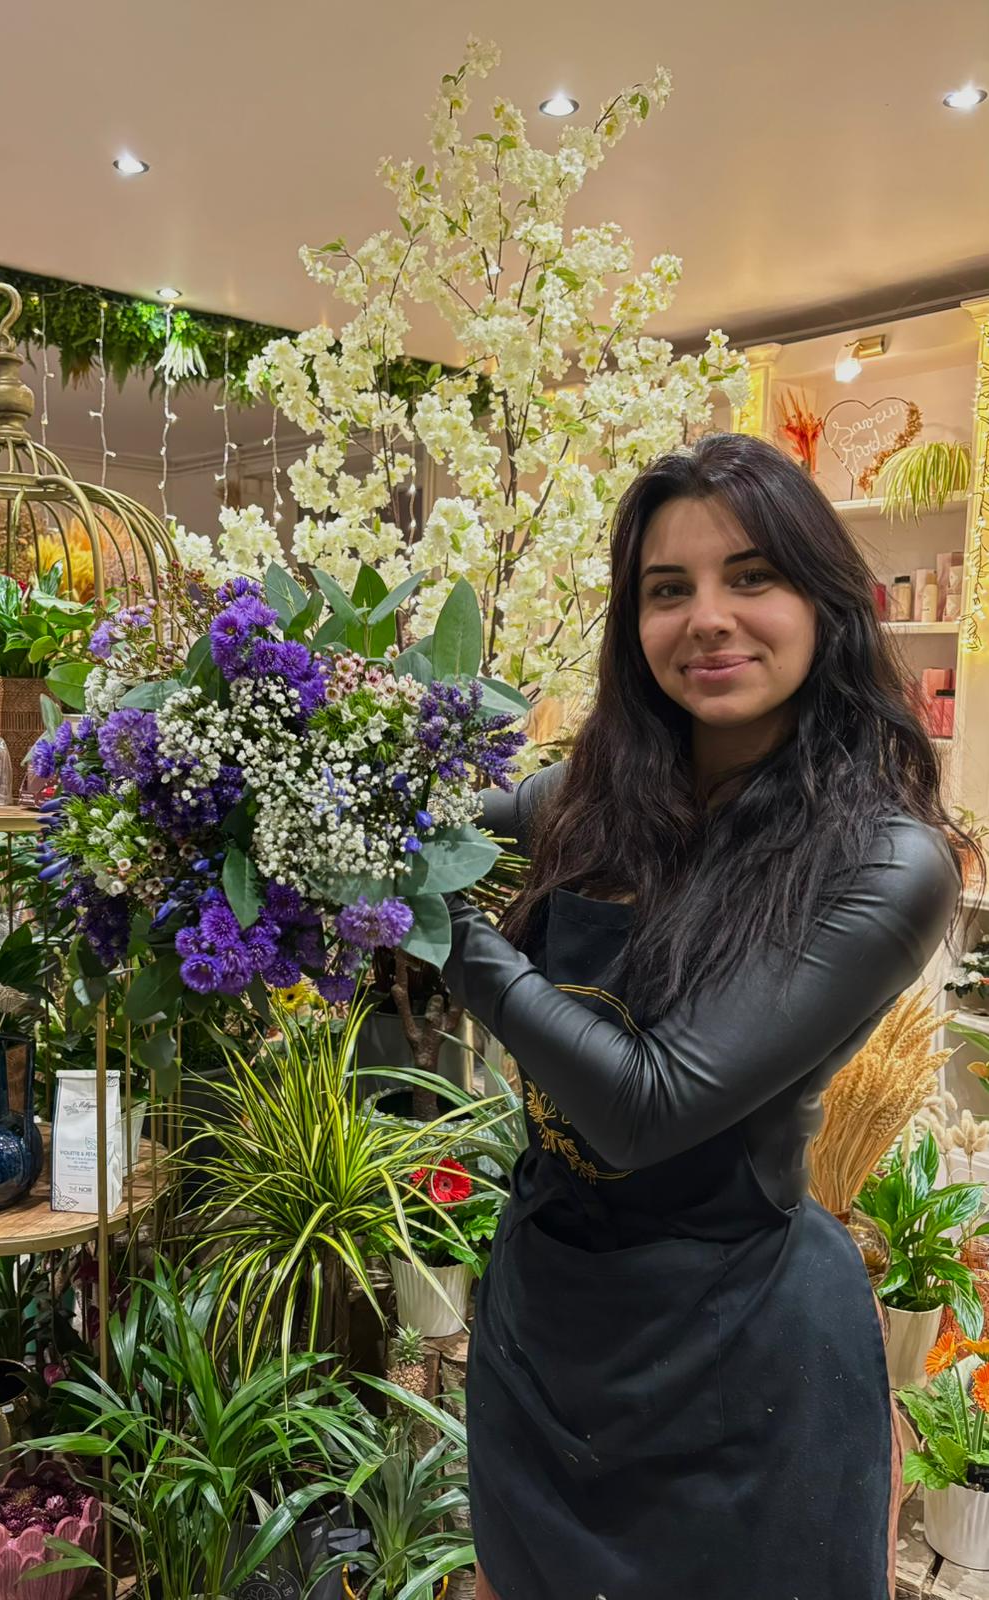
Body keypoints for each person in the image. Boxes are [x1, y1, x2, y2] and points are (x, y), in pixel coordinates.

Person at [441, 432, 977, 1600]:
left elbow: (649, 1103)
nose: (708, 618)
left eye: (751, 577)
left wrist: (430, 929)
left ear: (822, 601)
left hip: (740, 1366)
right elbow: (435, 835)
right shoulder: (588, 797)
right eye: (666, 589)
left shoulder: (882, 860)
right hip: (553, 1317)